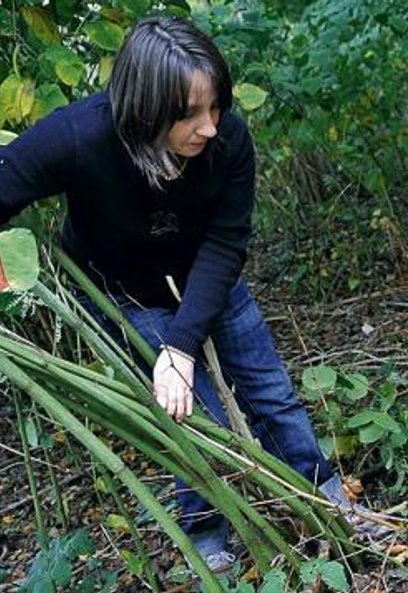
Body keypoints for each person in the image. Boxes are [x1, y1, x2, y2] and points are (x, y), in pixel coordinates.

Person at [0, 16, 364, 570]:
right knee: (195, 418)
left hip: (210, 277)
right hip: (125, 294)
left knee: (270, 390)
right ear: (146, 110)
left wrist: (184, 341)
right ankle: (207, 536)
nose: (210, 126)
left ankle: (325, 498)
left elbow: (226, 241)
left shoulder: (229, 140)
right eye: (189, 113)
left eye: (216, 105)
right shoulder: (81, 137)